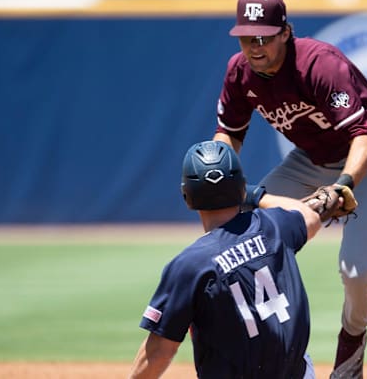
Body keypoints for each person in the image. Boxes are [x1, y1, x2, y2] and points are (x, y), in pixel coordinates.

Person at [214, 0, 367, 378]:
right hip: (311, 159)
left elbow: (363, 138)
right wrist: (217, 172)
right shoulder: (239, 71)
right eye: (248, 37)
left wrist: (344, 184)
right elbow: (228, 135)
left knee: (356, 273)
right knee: (238, 229)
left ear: (286, 32)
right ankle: (260, 346)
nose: (255, 46)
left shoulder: (319, 64)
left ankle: (352, 343)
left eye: (264, 36)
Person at [129, 140, 322, 379]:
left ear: (186, 194)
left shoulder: (190, 265)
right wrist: (254, 194)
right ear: (240, 187)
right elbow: (310, 216)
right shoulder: (274, 225)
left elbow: (159, 351)